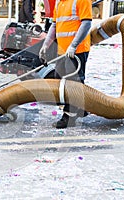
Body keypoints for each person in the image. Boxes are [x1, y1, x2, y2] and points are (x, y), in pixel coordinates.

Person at [39, 0, 92, 128]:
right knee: (59, 79)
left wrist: (73, 45)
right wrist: (46, 45)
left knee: (72, 82)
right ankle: (80, 107)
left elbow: (86, 23)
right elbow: (54, 25)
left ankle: (69, 117)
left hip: (76, 51)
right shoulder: (59, 2)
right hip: (62, 50)